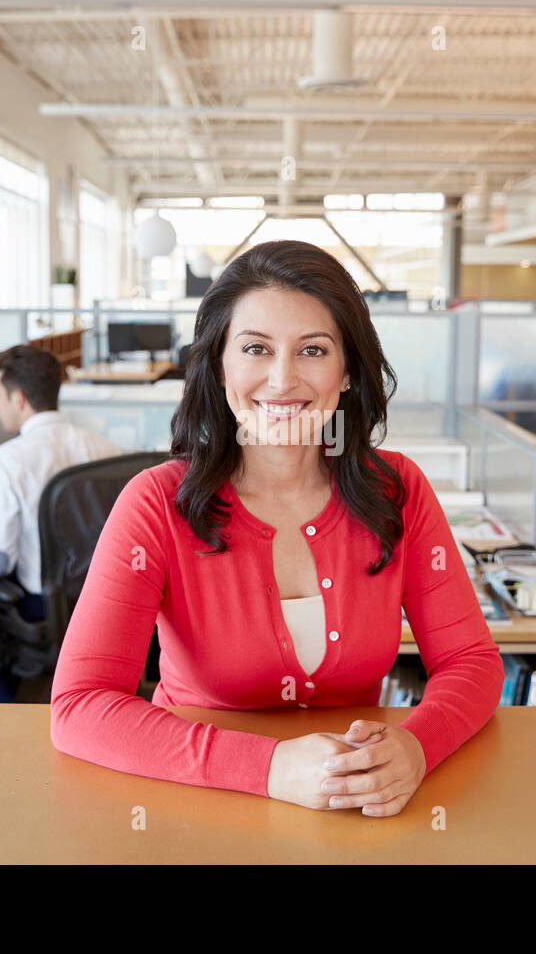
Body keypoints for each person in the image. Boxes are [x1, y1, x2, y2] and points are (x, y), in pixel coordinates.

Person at [50, 239, 504, 818]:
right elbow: (79, 705)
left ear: (347, 372)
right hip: (196, 803)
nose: (283, 379)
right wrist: (267, 768)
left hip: (354, 809)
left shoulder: (398, 490)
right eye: (256, 349)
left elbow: (472, 660)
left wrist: (417, 745)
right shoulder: (155, 503)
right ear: (219, 366)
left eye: (313, 350)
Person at [0, 345, 121, 702]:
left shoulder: (6, 461)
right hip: (105, 599)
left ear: (18, 398)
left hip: (43, 604)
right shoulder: (106, 447)